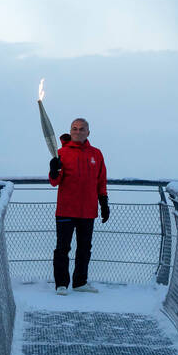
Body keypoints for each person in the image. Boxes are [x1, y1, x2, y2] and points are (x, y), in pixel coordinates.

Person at [48, 118, 110, 295]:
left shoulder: (96, 154)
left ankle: (80, 282)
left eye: (82, 129)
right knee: (63, 248)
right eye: (74, 128)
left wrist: (104, 202)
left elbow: (101, 181)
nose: (78, 131)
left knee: (84, 248)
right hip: (66, 209)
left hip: (88, 210)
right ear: (70, 130)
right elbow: (54, 181)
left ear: (88, 133)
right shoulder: (60, 153)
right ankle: (61, 283)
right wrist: (53, 170)